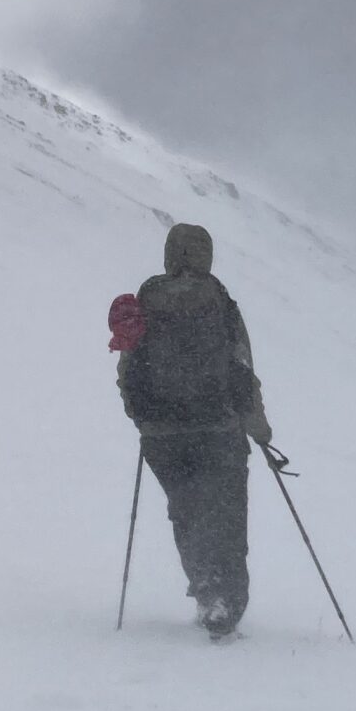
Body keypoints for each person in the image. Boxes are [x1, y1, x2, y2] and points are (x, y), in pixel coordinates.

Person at [111, 222, 272, 638]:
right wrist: (260, 429)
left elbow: (128, 365)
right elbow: (241, 367)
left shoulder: (147, 297)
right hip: (218, 429)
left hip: (163, 437)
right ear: (206, 255)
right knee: (226, 515)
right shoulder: (218, 299)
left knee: (187, 512)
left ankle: (205, 590)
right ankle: (225, 602)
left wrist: (142, 417)